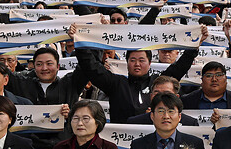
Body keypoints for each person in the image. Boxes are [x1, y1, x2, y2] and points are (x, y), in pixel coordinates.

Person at [72, 24, 207, 122]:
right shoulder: (117, 84)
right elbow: (92, 68)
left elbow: (179, 68)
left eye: (141, 60)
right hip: (122, 143)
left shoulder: (158, 83)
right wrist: (78, 42)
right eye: (133, 60)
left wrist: (194, 45)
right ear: (127, 62)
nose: (137, 64)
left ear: (149, 63)